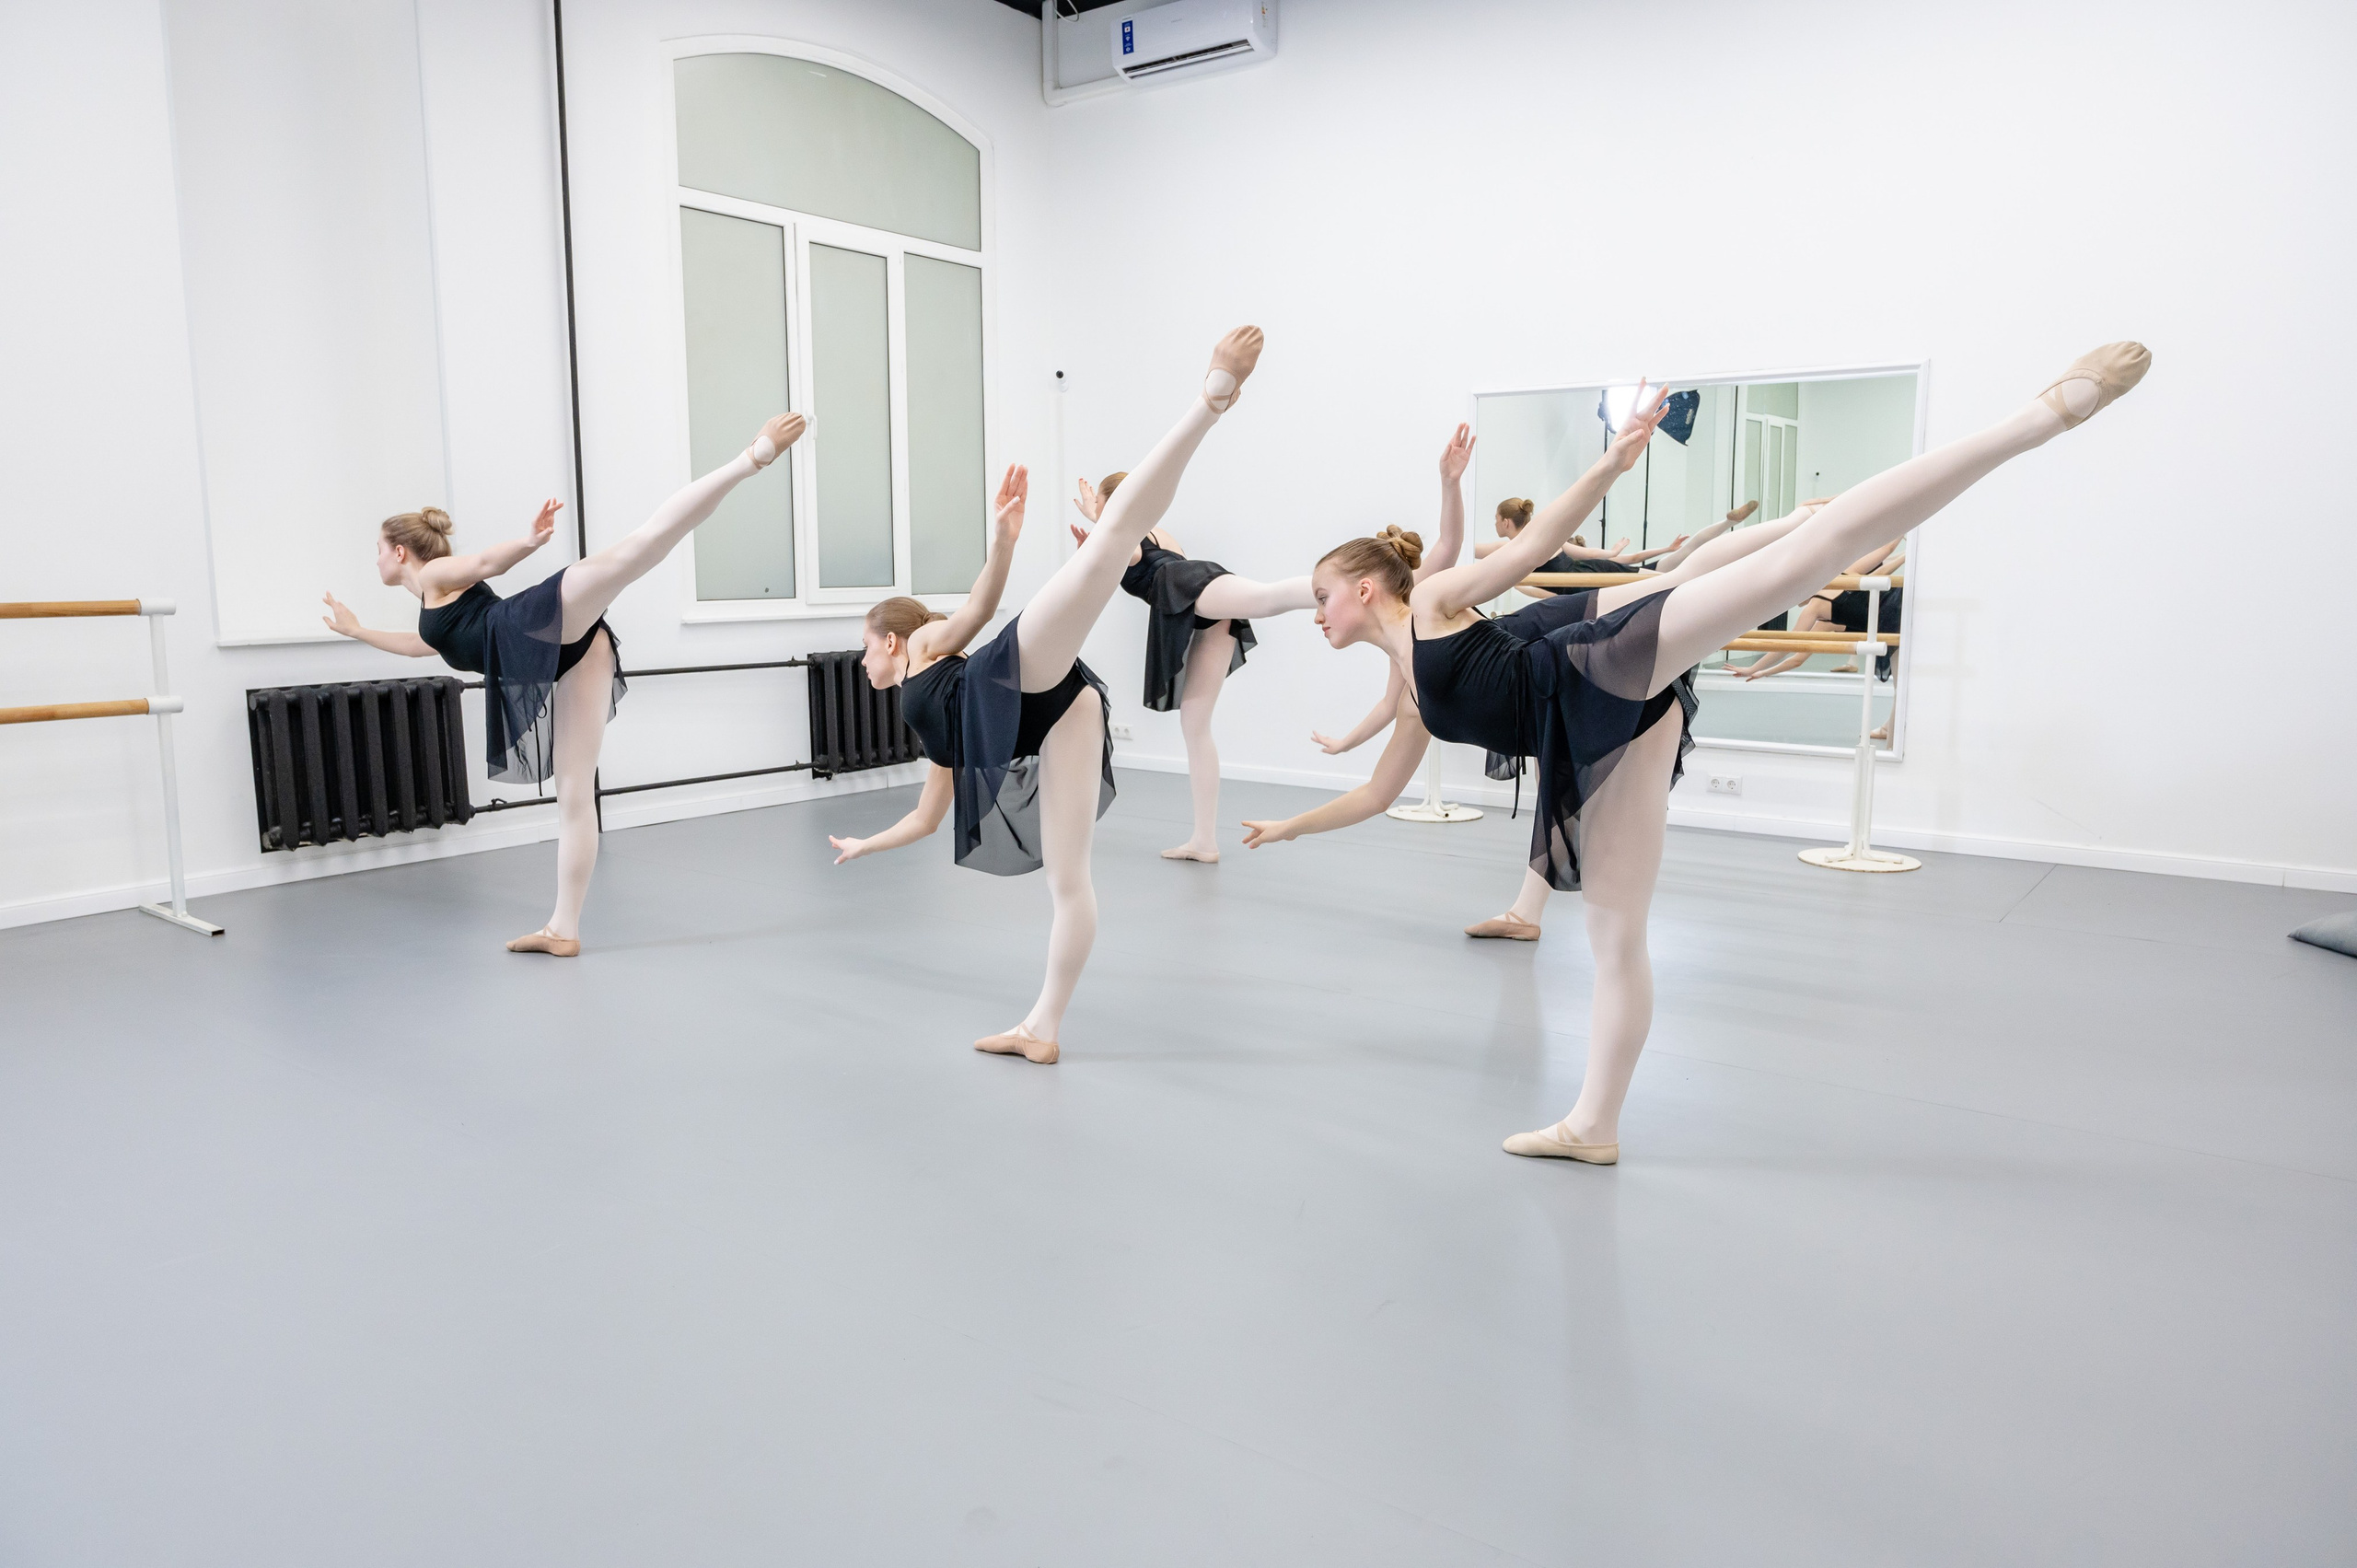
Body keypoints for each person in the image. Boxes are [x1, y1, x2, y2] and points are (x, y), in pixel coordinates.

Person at [1243, 343, 2149, 1164]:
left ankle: (2033, 420)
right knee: (1614, 931)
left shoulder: (1437, 599)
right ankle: (1592, 1125)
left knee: (1790, 563)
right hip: (1603, 726)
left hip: (1587, 663)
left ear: (1361, 591)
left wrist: (1609, 458)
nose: (1312, 612)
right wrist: (1285, 828)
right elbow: (1374, 793)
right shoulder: (1408, 688)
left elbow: (1530, 545)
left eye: (1318, 597)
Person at [827, 328, 1265, 1063]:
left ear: (894, 640)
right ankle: (1042, 1028)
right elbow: (928, 817)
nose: (861, 655)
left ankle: (1211, 398)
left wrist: (1003, 540)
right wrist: (865, 843)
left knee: (1109, 541)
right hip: (1060, 711)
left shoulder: (933, 644)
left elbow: (977, 605)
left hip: (1014, 668)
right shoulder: (935, 731)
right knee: (1070, 883)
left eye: (866, 642)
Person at [321, 412, 806, 957]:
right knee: (575, 796)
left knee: (640, 548)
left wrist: (529, 542)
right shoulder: (432, 613)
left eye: (380, 548)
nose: (377, 558)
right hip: (570, 655)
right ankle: (563, 929)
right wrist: (357, 630)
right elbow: (419, 645)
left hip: (535, 622)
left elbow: (485, 561)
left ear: (401, 551)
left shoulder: (435, 577)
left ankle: (752, 457)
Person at [1089, 424, 1474, 861]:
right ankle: (1203, 840)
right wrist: (1344, 743)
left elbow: (1448, 546)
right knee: (1195, 723)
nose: (1320, 615)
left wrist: (1449, 484)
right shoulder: (1404, 627)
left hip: (1193, 591)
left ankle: (1203, 839)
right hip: (1190, 603)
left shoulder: (1415, 606)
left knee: (1269, 597)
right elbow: (1389, 707)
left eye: (1327, 596)